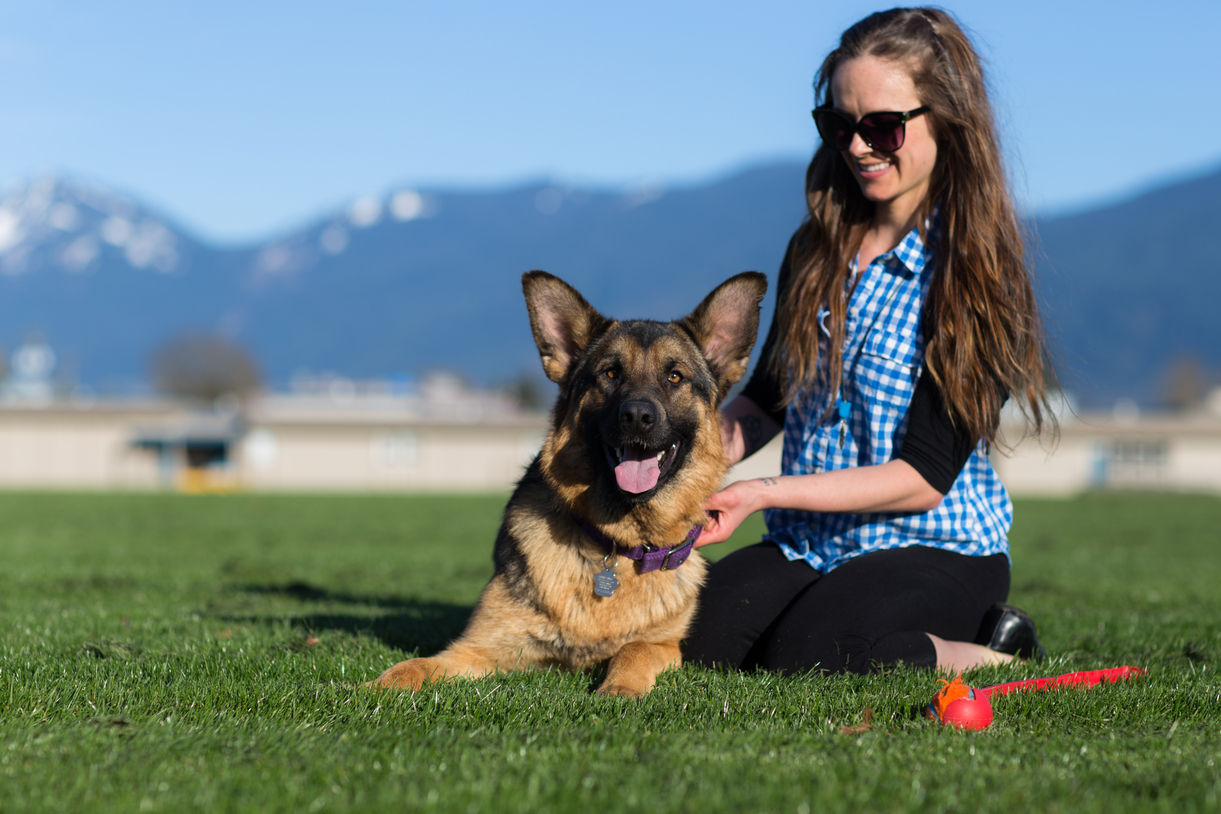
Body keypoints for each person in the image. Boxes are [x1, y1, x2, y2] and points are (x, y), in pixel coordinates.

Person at [682, 7, 1051, 676]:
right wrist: (677, 463)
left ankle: (994, 651)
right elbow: (765, 403)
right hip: (809, 539)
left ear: (944, 121)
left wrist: (761, 493)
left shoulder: (976, 279)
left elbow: (921, 479)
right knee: (690, 640)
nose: (856, 147)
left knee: (816, 652)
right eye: (839, 125)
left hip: (935, 547)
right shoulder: (817, 250)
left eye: (881, 126)